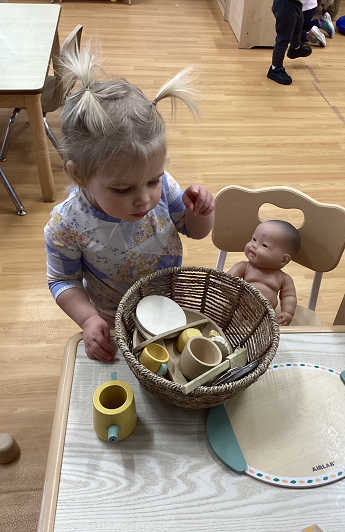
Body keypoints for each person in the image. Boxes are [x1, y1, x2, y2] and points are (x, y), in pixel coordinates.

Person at [44, 44, 215, 362]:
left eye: (152, 180)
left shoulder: (164, 186)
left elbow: (195, 231)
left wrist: (202, 212)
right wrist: (88, 319)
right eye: (122, 189)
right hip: (112, 314)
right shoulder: (66, 225)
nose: (146, 198)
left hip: (168, 299)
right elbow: (61, 280)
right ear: (79, 175)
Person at [227, 220, 301, 326]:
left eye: (264, 245)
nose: (254, 245)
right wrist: (228, 289)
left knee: (271, 328)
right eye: (254, 239)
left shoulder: (284, 278)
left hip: (265, 315)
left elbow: (289, 296)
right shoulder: (244, 266)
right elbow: (227, 279)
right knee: (227, 312)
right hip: (239, 308)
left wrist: (287, 312)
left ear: (284, 260)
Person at [267, 0, 312, 86]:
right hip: (286, 5)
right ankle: (275, 68)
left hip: (296, 4)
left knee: (297, 27)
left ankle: (295, 48)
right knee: (284, 38)